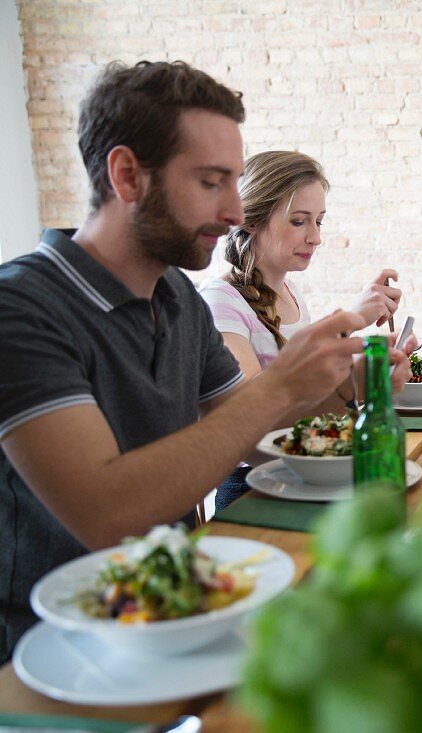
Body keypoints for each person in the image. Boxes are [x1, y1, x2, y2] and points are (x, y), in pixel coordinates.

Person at [0, 61, 384, 662]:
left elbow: (254, 438)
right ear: (127, 175)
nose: (235, 212)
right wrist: (279, 386)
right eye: (211, 183)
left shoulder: (177, 297)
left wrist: (346, 380)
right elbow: (108, 514)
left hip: (177, 623)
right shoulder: (20, 309)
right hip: (51, 658)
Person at [199, 151, 411, 509]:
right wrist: (351, 359)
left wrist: (362, 358)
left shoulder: (290, 293)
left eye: (319, 222)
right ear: (251, 220)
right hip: (254, 488)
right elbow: (247, 414)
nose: (315, 238)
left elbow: (308, 397)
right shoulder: (221, 301)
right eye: (299, 221)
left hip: (306, 475)